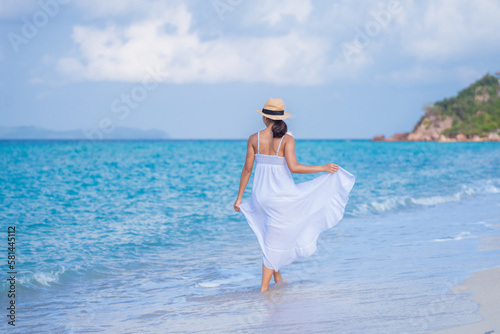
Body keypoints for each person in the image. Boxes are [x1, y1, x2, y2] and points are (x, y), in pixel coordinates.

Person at [233, 98, 356, 292]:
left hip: (260, 196)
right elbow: (294, 168)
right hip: (280, 197)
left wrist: (239, 198)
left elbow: (247, 170)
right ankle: (264, 290)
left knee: (270, 236)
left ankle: (278, 278)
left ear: (265, 117)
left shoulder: (253, 138)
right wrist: (322, 167)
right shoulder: (287, 139)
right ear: (280, 117)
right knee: (275, 239)